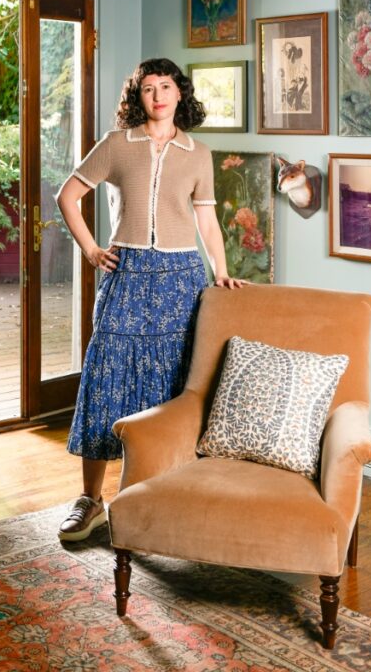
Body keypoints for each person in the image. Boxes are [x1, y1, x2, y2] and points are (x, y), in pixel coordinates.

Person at [55, 58, 243, 541]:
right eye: (147, 89)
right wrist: (91, 249)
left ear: (180, 94)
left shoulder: (198, 154)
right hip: (127, 272)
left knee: (173, 384)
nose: (157, 96)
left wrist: (220, 271)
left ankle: (161, 495)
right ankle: (90, 500)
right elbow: (67, 196)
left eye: (165, 87)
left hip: (181, 278)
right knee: (105, 377)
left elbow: (206, 221)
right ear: (137, 97)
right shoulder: (117, 144)